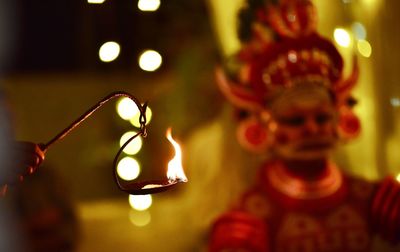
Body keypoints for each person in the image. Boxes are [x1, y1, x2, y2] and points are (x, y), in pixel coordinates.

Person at [208, 0, 400, 251]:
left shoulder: (374, 200)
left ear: (339, 118)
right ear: (261, 125)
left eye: (321, 117)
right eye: (295, 120)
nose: (312, 129)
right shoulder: (250, 218)